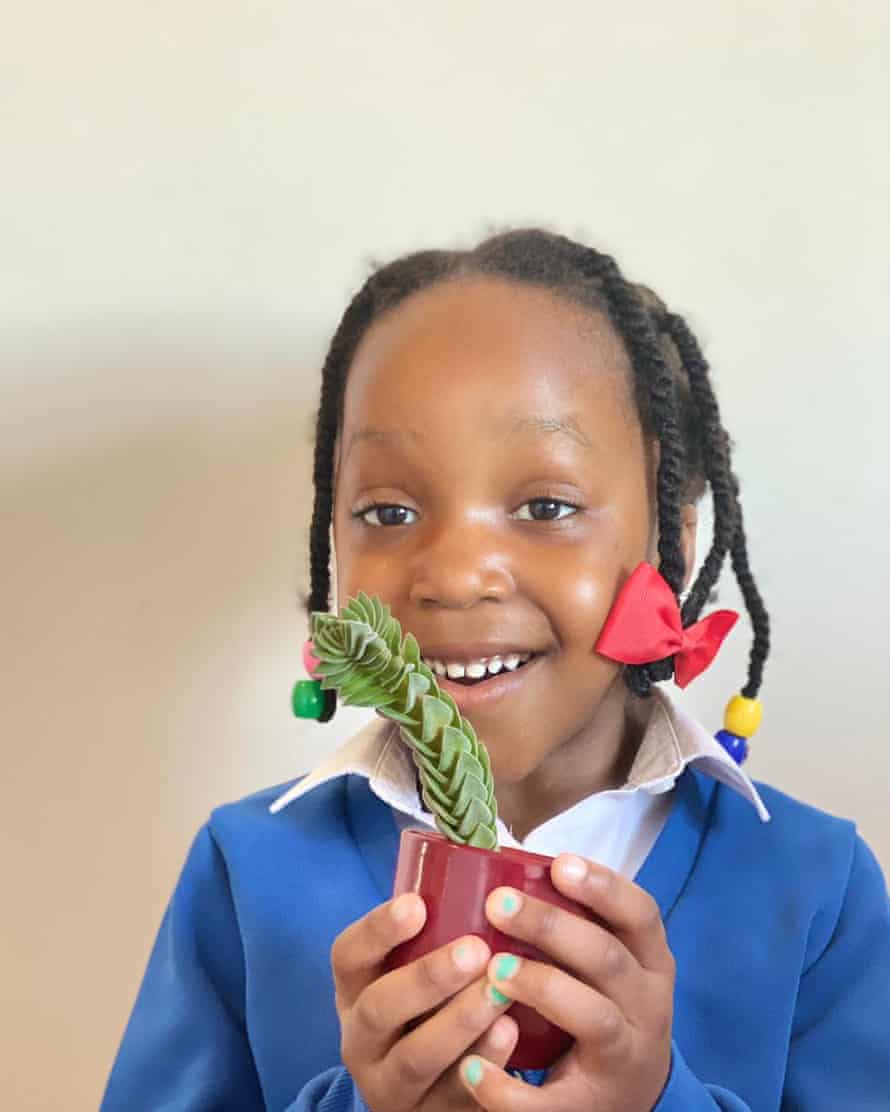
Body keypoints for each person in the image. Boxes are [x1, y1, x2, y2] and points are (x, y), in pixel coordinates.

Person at [101, 229, 890, 1110]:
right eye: (388, 511)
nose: (455, 574)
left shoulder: (817, 885)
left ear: (670, 544)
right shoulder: (245, 869)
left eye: (545, 505)